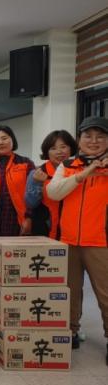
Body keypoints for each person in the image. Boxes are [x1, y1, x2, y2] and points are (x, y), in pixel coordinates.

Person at [47, 116, 108, 358]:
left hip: (101, 241)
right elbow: (53, 192)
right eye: (88, 136)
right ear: (79, 139)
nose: (94, 141)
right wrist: (84, 174)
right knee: (70, 290)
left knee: (105, 294)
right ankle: (71, 331)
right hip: (68, 240)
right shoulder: (68, 165)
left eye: (100, 137)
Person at [0, 125, 35, 237]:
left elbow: (33, 193)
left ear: (12, 140)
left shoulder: (25, 163)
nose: (0, 142)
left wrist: (29, 218)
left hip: (17, 220)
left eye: (4, 138)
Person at [25, 130, 77, 238]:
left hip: (73, 230)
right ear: (47, 152)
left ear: (71, 148)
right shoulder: (37, 172)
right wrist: (37, 183)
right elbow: (31, 203)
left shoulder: (79, 170)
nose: (59, 152)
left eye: (63, 147)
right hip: (44, 231)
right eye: (53, 148)